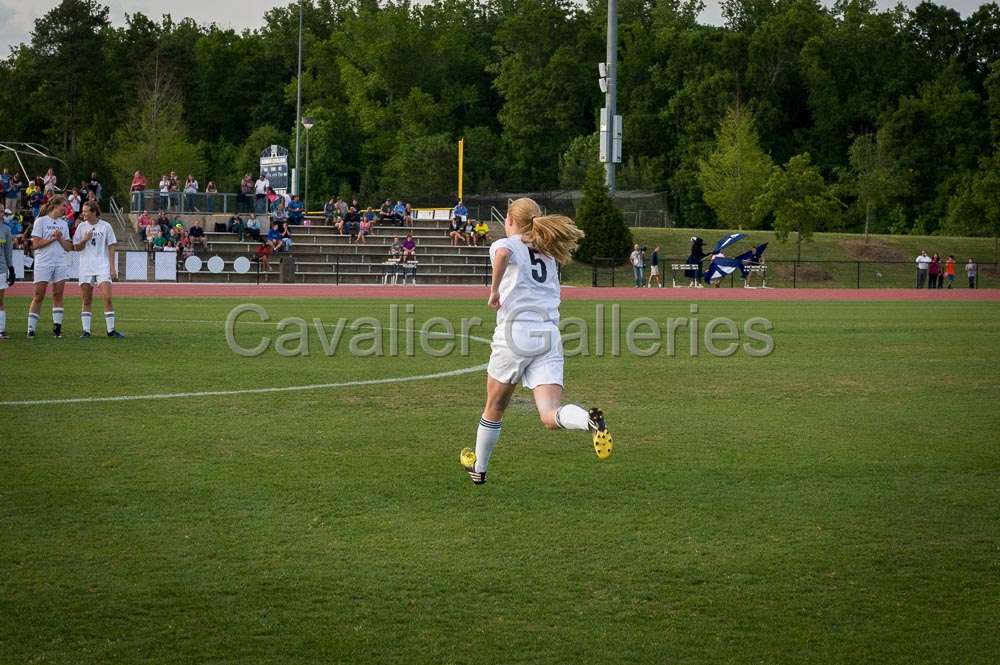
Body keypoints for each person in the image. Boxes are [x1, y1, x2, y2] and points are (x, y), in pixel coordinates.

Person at [459, 197, 612, 485]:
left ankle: (479, 469)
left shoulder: (510, 243)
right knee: (549, 414)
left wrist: (493, 291)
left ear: (510, 221)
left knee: (494, 406)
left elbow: (503, 252)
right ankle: (588, 421)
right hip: (548, 337)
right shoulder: (549, 251)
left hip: (515, 335)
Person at [72, 201, 123, 338]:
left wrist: (113, 268)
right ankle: (86, 331)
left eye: (86, 211)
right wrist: (84, 240)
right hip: (86, 267)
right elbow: (76, 247)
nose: (84, 213)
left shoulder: (106, 226)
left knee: (107, 298)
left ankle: (111, 330)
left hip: (102, 266)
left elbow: (112, 247)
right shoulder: (81, 227)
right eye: (83, 211)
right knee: (87, 299)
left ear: (94, 212)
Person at [27, 196, 73, 338]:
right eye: (63, 206)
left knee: (58, 295)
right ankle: (31, 329)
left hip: (60, 262)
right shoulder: (40, 221)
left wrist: (59, 238)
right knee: (39, 295)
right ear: (55, 206)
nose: (65, 209)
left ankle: (57, 329)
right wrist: (53, 238)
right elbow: (35, 244)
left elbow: (68, 247)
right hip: (43, 262)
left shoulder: (64, 224)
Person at [0, 216, 13, 339]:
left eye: (2, 211)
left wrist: (11, 269)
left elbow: (8, 251)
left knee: (0, 301)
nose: (1, 213)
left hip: (1, 269)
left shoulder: (6, 230)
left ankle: (1, 330)